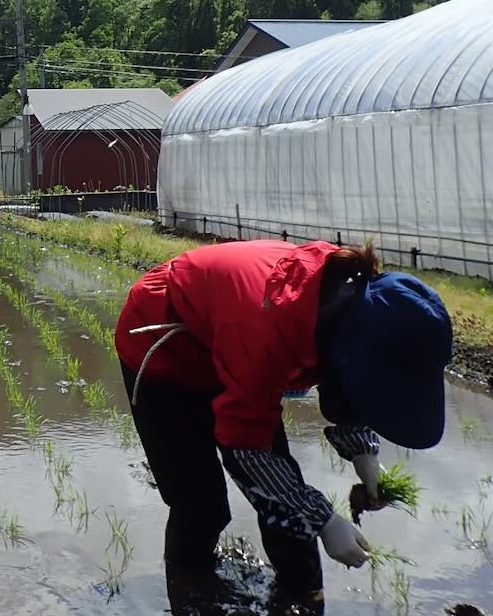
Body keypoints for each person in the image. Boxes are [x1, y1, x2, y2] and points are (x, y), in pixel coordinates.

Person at [115, 239, 451, 595]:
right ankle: (191, 595)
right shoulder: (270, 328)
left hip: (231, 341)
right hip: (161, 345)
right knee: (200, 503)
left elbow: (354, 378)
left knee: (284, 489)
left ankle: (302, 596)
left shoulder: (350, 300)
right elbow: (247, 449)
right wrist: (324, 520)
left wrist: (363, 453)